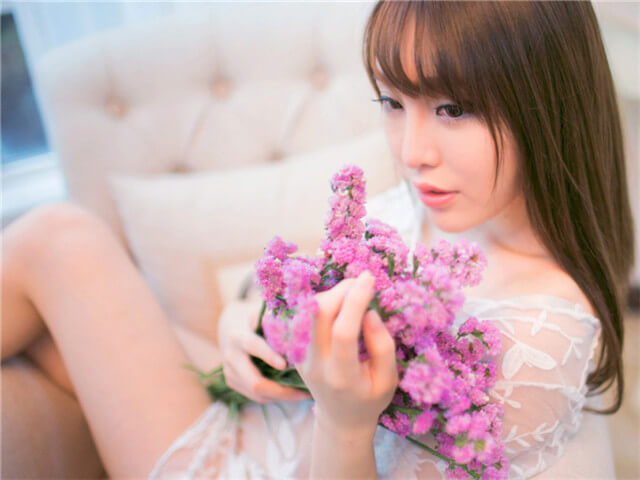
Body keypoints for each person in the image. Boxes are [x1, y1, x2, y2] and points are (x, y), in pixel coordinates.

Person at [0, 1, 634, 479]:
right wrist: (240, 319)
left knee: (58, 238)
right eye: (393, 103)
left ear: (547, 104)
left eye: (452, 109)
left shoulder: (535, 345)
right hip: (264, 417)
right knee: (63, 303)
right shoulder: (435, 203)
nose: (412, 152)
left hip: (258, 463)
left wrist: (344, 419)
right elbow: (299, 282)